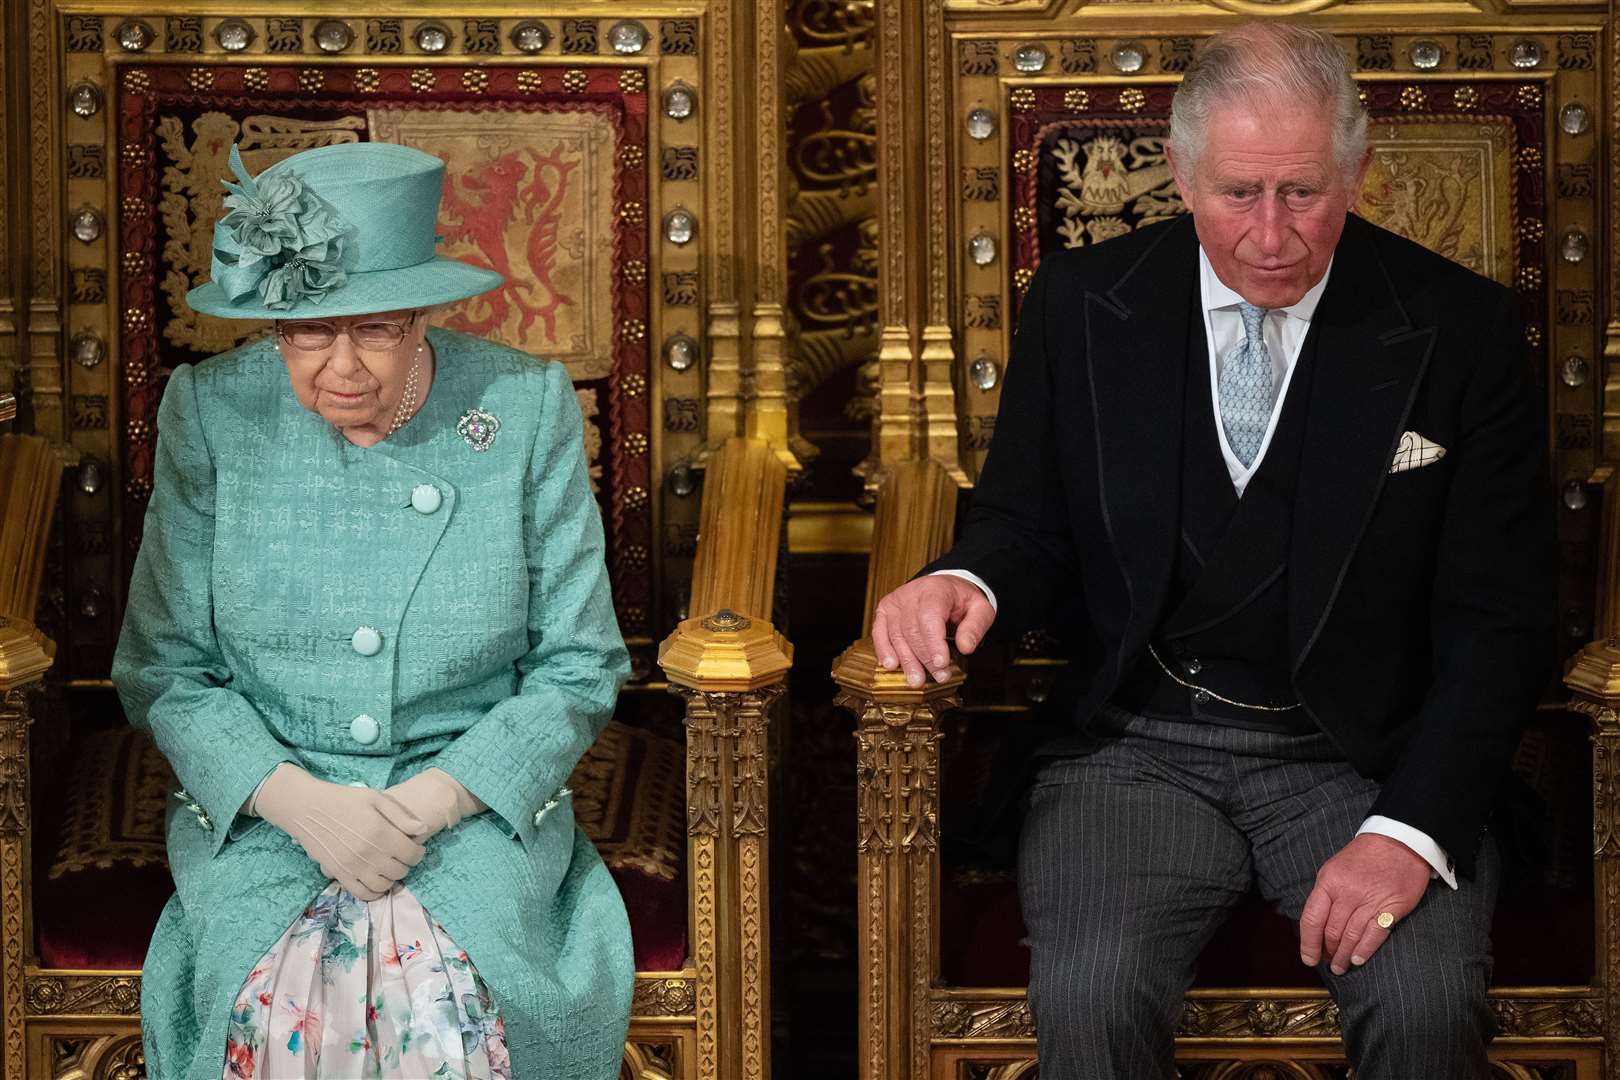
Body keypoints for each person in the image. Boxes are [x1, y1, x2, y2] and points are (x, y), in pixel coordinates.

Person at [872, 22, 1554, 1079]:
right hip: (1135, 750)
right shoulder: (1080, 305)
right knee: (1090, 996)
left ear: (1358, 174)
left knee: (1422, 1009)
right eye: (1240, 193)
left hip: (1365, 760)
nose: (1273, 234)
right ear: (1183, 176)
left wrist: (1409, 834)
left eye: (1304, 192)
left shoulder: (1460, 330)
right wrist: (960, 580)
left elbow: (1501, 622)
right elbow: (1027, 523)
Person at [112, 140, 633, 1080]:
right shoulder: (211, 411)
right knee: (276, 1009)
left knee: (445, 1008)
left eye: (380, 330)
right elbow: (164, 669)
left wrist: (428, 804)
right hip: (272, 807)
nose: (341, 366)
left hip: (468, 805)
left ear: (424, 315)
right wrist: (306, 808)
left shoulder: (519, 406)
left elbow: (580, 663)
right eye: (309, 333)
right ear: (274, 326)